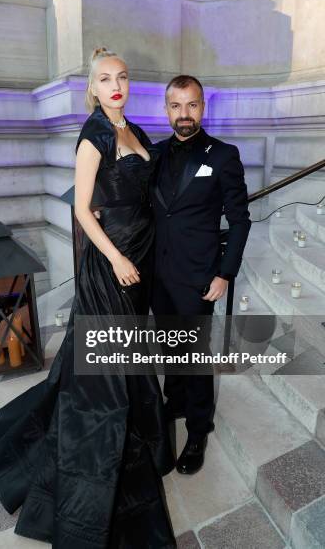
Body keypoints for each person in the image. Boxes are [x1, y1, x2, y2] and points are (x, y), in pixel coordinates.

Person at [0, 48, 177, 549]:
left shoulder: (132, 128)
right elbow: (82, 212)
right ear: (92, 88)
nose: (116, 85)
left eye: (123, 77)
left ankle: (137, 435)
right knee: (107, 373)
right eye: (105, 79)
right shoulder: (94, 134)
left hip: (142, 259)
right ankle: (94, 473)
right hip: (113, 265)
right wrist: (115, 259)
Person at [150, 75, 251, 476]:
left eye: (191, 105)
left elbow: (240, 221)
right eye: (176, 106)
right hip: (158, 273)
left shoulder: (223, 155)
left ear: (203, 108)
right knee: (170, 347)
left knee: (194, 356)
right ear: (167, 110)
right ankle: (176, 401)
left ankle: (198, 429)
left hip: (199, 277)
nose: (184, 114)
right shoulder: (154, 155)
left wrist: (225, 274)